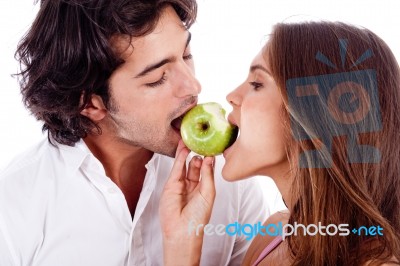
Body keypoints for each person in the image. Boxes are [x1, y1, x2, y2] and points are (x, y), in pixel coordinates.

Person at [0, 1, 269, 265]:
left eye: (186, 54)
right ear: (90, 104)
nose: (193, 85)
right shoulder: (15, 207)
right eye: (157, 79)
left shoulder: (230, 180)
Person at [160, 21, 400, 265]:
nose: (232, 96)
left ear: (313, 114)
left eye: (257, 83)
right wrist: (181, 244)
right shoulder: (273, 235)